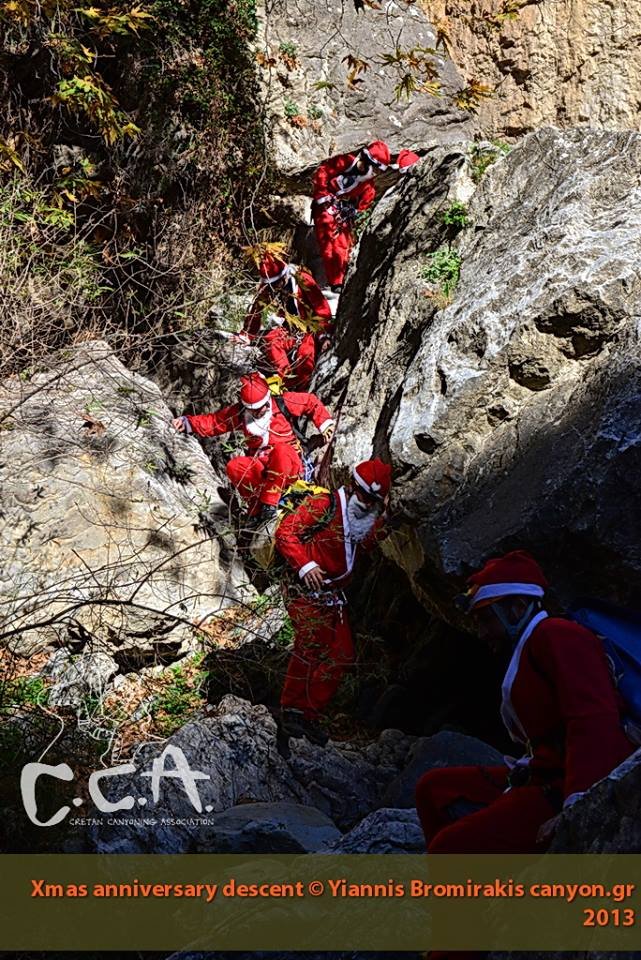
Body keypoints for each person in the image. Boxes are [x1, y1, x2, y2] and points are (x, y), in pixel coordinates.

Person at [415, 550, 635, 853]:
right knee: (434, 789)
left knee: (449, 847)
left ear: (517, 608)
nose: (481, 633)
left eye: (486, 620)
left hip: (568, 783)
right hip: (543, 772)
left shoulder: (558, 636)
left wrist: (577, 806)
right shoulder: (533, 643)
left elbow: (593, 719)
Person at [274, 458, 392, 747]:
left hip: (332, 598)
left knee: (341, 653)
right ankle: (290, 711)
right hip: (305, 591)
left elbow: (361, 545)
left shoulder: (359, 515)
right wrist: (305, 565)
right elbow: (286, 533)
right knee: (309, 645)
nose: (366, 504)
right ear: (353, 487)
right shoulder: (324, 504)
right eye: (364, 496)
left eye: (373, 501)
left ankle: (309, 714)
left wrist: (387, 522)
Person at [171, 372, 335, 519]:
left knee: (281, 451)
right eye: (255, 409)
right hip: (262, 466)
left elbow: (310, 402)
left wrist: (325, 425)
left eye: (264, 405)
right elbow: (215, 422)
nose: (261, 410)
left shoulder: (282, 402)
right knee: (235, 466)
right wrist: (188, 423)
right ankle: (256, 510)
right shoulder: (240, 414)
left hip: (289, 464)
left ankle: (270, 504)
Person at [241, 251, 333, 391]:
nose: (274, 289)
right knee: (271, 340)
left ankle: (301, 391)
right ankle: (285, 381)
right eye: (271, 286)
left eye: (276, 284)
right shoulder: (271, 287)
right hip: (289, 329)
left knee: (305, 356)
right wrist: (247, 333)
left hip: (309, 328)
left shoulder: (302, 280)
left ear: (284, 276)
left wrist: (323, 335)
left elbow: (322, 310)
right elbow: (257, 309)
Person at [312, 140, 391, 293]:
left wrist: (354, 210)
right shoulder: (345, 162)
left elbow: (366, 202)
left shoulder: (368, 185)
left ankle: (339, 283)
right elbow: (323, 172)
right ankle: (335, 281)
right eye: (375, 169)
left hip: (342, 214)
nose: (375, 173)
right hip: (324, 208)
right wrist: (322, 195)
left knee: (343, 245)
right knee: (328, 243)